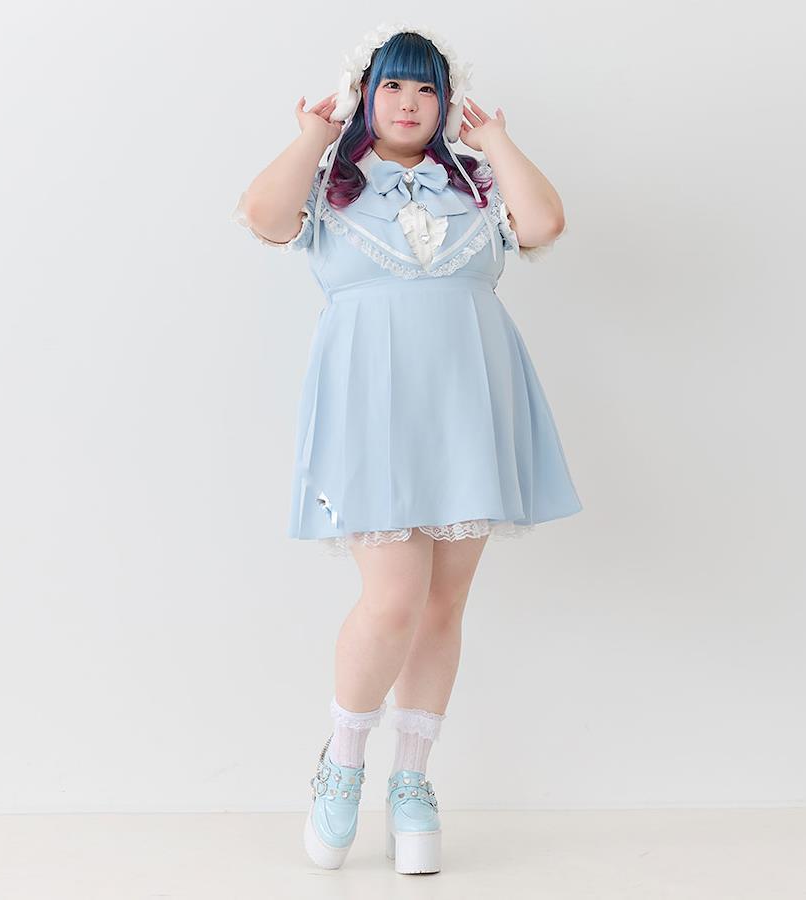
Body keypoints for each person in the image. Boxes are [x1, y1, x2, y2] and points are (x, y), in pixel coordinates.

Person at [231, 23, 582, 875]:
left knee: (442, 605)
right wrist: (311, 135)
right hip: (371, 409)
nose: (410, 102)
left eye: (427, 88)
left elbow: (545, 222)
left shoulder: (476, 183)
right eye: (392, 85)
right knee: (391, 600)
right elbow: (262, 216)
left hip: (469, 403)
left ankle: (413, 782)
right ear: (365, 95)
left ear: (447, 102)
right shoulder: (330, 183)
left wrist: (496, 141)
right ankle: (343, 763)